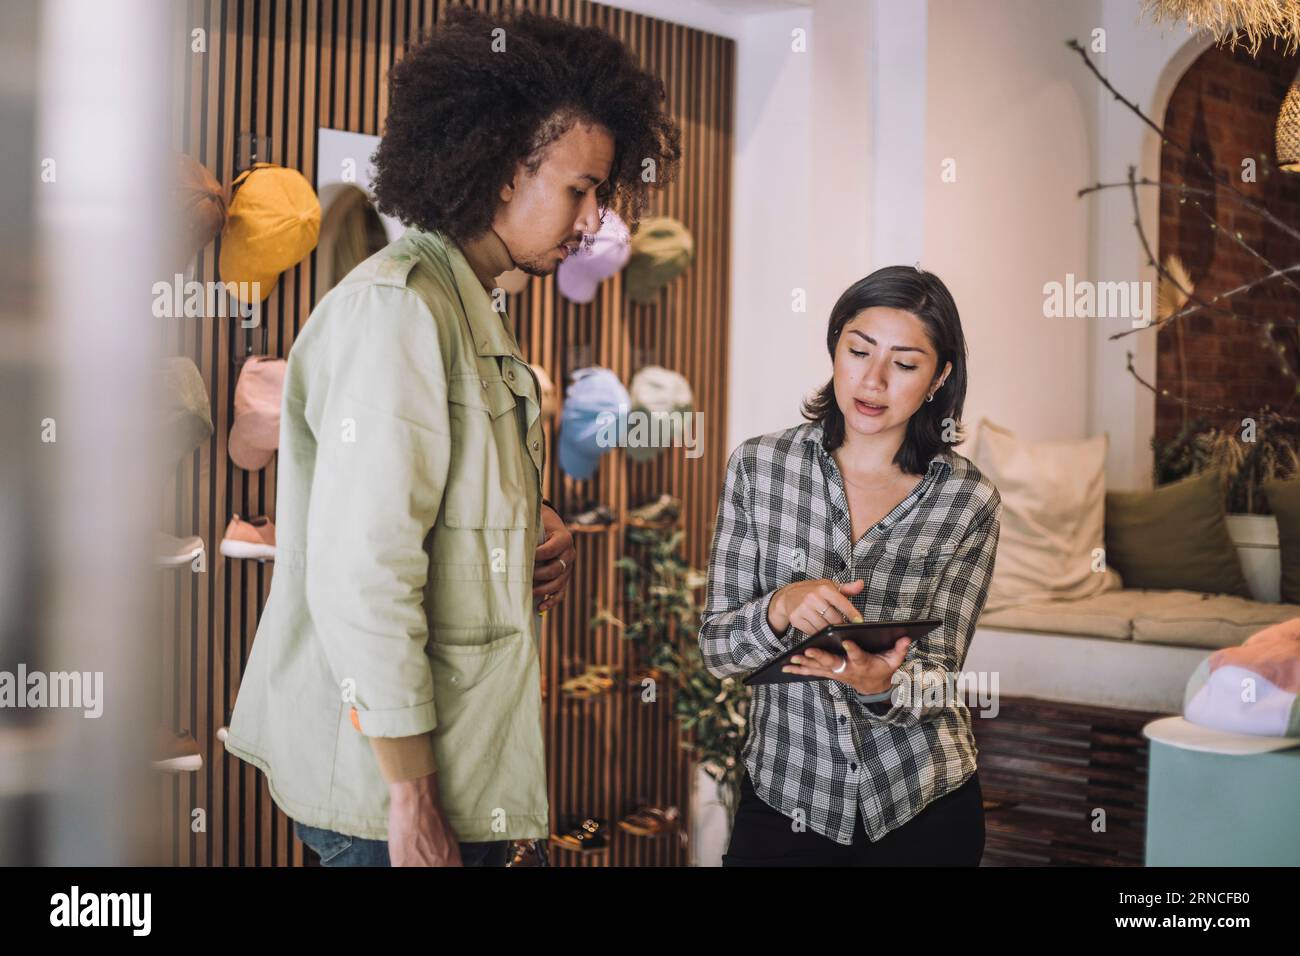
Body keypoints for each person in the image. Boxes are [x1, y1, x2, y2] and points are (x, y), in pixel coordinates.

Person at [224, 5, 681, 867]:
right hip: (390, 796)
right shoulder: (400, 310)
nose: (592, 220)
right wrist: (412, 800)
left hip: (463, 772)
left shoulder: (465, 301)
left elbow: (441, 496)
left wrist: (527, 522)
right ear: (505, 169)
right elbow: (367, 568)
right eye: (580, 189)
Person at [699, 265, 1001, 866]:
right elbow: (718, 652)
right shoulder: (760, 468)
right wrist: (779, 607)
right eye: (858, 351)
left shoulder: (969, 500)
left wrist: (885, 686)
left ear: (939, 376)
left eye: (905, 364)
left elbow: (941, 674)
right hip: (788, 796)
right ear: (835, 346)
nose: (873, 379)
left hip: (921, 803)